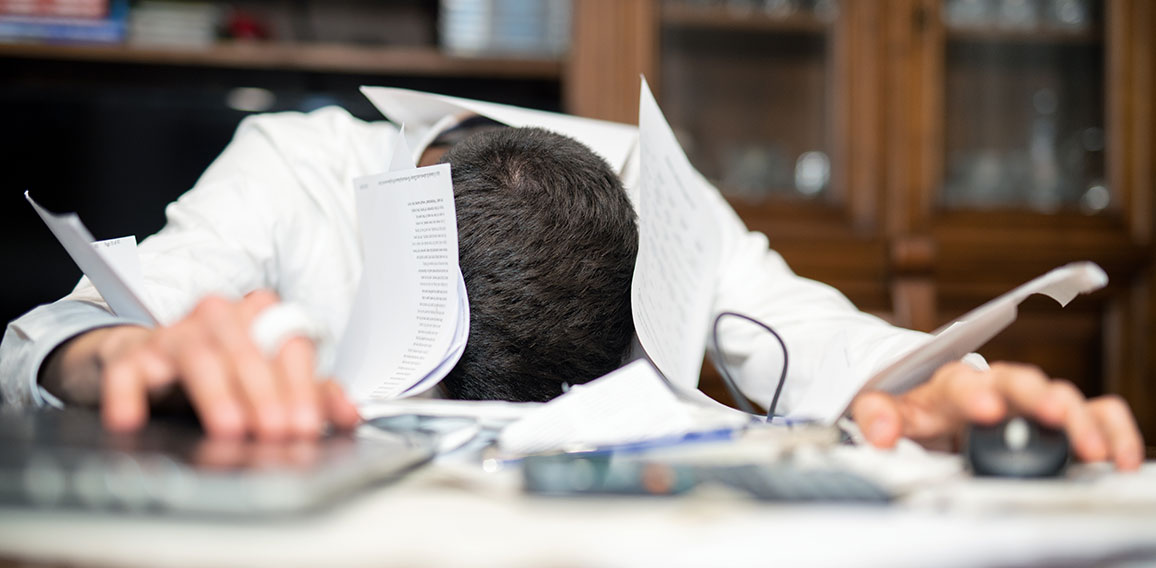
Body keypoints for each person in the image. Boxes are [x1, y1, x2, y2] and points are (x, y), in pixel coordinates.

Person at [0, 89, 1143, 471]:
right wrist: (117, 353)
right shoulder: (293, 167)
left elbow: (806, 328)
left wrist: (935, 386)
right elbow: (57, 331)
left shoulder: (653, 182)